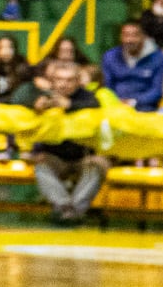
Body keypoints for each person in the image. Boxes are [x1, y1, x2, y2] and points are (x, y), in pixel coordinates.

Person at [14, 59, 104, 225]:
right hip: (53, 157)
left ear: (78, 82)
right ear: (52, 81)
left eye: (69, 80)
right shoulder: (43, 97)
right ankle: (64, 208)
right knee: (40, 164)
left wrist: (70, 105)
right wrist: (35, 107)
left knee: (99, 165)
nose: (64, 84)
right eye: (60, 80)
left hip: (82, 157)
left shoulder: (88, 97)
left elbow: (94, 106)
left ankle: (75, 210)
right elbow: (15, 104)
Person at [101, 20, 163, 112]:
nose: (129, 40)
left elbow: (157, 90)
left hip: (146, 109)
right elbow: (108, 86)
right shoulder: (110, 56)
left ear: (144, 37)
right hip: (115, 107)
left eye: (135, 35)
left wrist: (133, 102)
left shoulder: (158, 58)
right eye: (126, 35)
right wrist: (116, 102)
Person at [0, 34, 34, 101]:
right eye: (2, 48)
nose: (6, 51)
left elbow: (22, 93)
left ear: (14, 50)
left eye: (9, 47)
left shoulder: (22, 66)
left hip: (15, 105)